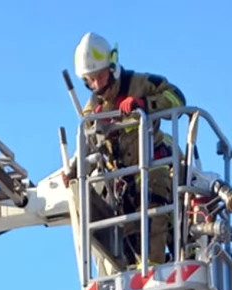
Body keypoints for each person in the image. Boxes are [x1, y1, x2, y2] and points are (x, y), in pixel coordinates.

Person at [73, 31, 186, 268]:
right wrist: (73, 172)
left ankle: (155, 270)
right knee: (127, 229)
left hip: (152, 166)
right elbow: (88, 149)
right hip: (121, 181)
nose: (95, 85)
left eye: (100, 76)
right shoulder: (92, 109)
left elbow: (177, 98)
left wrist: (144, 105)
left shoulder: (140, 83)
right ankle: (137, 270)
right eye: (89, 80)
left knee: (155, 212)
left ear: (112, 67)